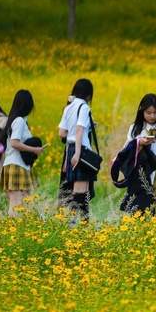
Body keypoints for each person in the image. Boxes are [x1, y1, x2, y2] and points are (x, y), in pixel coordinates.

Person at [58, 78, 98, 219]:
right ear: (88, 95)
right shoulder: (84, 107)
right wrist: (78, 153)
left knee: (80, 191)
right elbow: (80, 129)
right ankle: (76, 227)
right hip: (80, 151)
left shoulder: (68, 107)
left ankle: (80, 226)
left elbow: (62, 133)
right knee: (81, 193)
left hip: (70, 149)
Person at [0, 90, 43, 216]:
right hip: (16, 166)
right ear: (28, 105)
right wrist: (35, 150)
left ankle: (14, 231)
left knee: (18, 203)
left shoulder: (15, 120)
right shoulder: (19, 121)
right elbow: (14, 143)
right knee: (17, 204)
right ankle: (13, 232)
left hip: (13, 165)